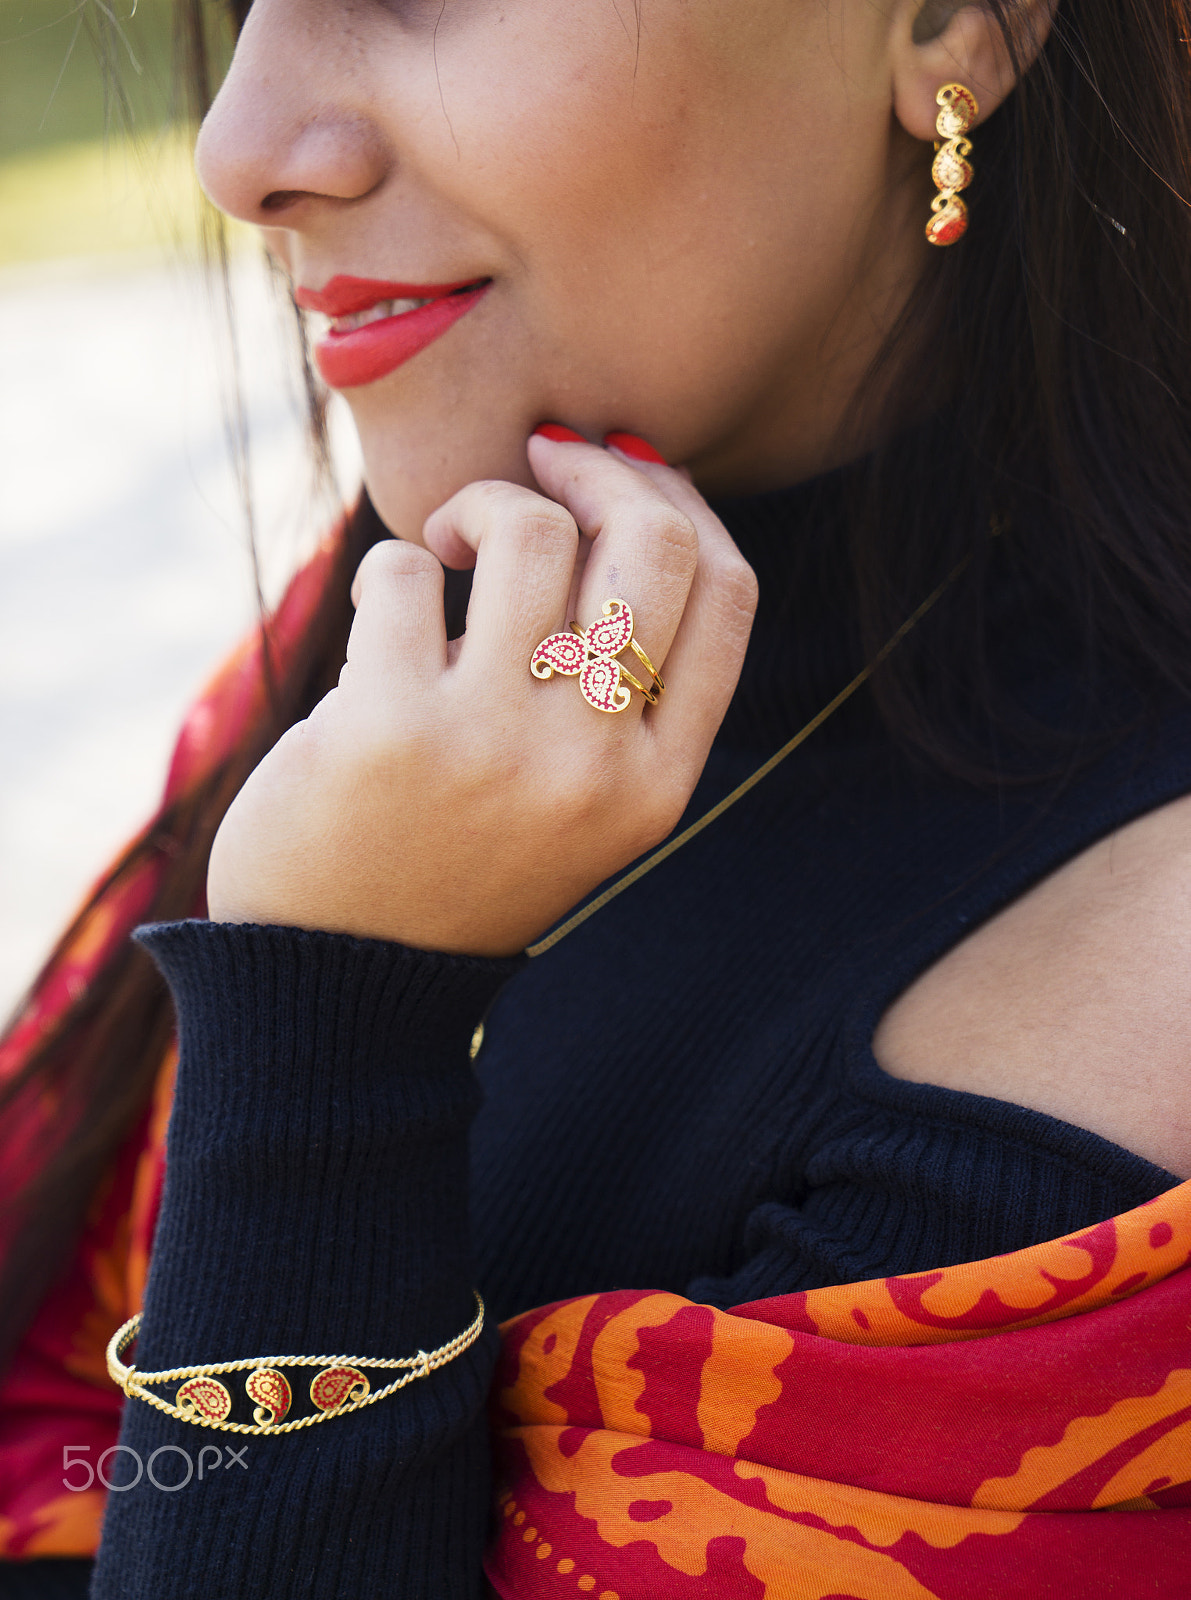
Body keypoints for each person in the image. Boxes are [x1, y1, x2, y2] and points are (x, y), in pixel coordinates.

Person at [2, 0, 1190, 1594]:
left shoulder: (1121, 1015)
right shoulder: (456, 615)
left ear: (949, 25)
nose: (240, 151)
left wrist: (328, 1022)